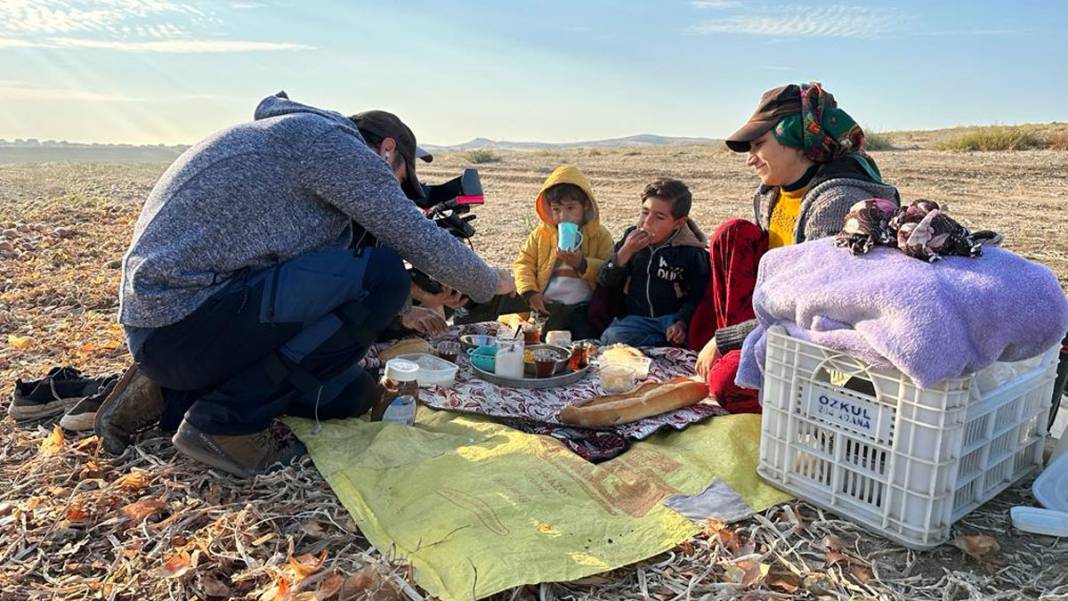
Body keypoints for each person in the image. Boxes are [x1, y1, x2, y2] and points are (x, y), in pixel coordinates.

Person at [95, 92, 514, 477]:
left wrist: (409, 303)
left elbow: (306, 277)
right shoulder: (331, 144)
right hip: (183, 324)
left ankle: (168, 394)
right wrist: (491, 281)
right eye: (401, 180)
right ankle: (222, 423)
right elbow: (411, 236)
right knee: (383, 272)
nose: (396, 191)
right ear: (387, 151)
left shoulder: (290, 143)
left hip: (185, 325)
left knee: (352, 395)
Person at [689, 82, 900, 413]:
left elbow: (815, 312)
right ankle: (737, 353)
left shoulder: (837, 203)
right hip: (775, 312)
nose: (750, 159)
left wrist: (723, 339)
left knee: (728, 382)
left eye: (758, 144)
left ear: (796, 136)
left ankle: (784, 396)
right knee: (732, 234)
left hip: (820, 341)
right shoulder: (772, 193)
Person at [455, 165, 613, 339]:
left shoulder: (599, 235)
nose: (563, 216)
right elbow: (523, 263)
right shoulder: (541, 234)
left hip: (583, 307)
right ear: (548, 208)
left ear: (585, 207)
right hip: (546, 304)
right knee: (540, 339)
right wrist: (530, 293)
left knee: (584, 340)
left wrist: (582, 264)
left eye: (570, 208)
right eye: (556, 210)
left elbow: (609, 271)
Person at [597, 178, 710, 348]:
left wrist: (682, 322)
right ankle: (659, 344)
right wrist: (626, 251)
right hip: (637, 318)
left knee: (695, 337)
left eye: (659, 217)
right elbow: (605, 280)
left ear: (678, 223)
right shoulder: (630, 238)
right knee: (610, 337)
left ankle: (665, 343)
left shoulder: (690, 250)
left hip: (672, 319)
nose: (647, 221)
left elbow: (699, 295)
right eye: (645, 212)